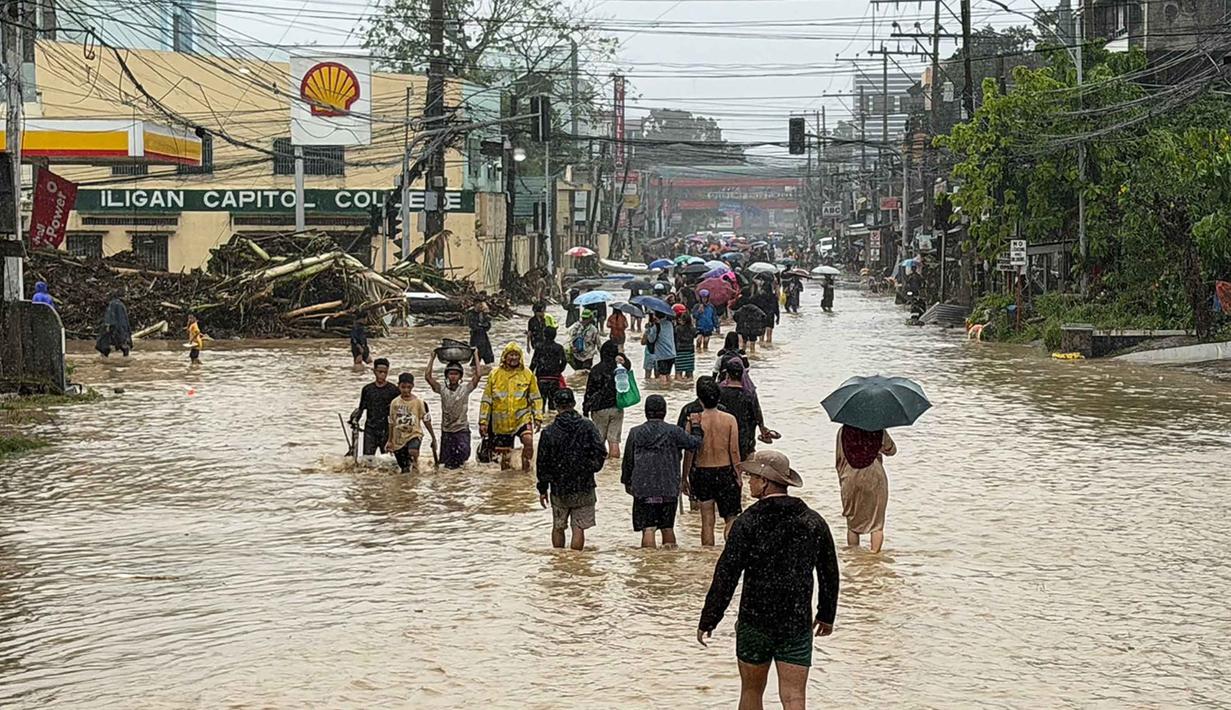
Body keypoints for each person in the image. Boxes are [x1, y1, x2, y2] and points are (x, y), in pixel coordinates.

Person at [697, 450, 839, 710]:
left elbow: (726, 574)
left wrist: (710, 618)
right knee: (795, 696)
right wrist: (826, 614)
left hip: (755, 621)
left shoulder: (747, 523)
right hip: (795, 622)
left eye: (753, 477)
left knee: (751, 693)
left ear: (765, 482)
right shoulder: (812, 521)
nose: (749, 482)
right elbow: (829, 572)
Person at [622, 395, 704, 548]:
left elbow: (628, 460)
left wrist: (627, 482)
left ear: (646, 412)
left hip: (644, 487)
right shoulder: (674, 432)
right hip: (668, 487)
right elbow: (695, 443)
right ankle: (668, 565)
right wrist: (696, 426)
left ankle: (650, 565)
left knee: (648, 528)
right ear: (664, 412)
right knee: (667, 528)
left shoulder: (635, 432)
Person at [536, 388, 607, 550]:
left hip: (559, 487)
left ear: (555, 405)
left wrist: (542, 488)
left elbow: (542, 463)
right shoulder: (587, 426)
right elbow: (601, 451)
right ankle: (576, 564)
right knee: (578, 528)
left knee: (558, 526)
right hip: (584, 485)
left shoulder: (548, 432)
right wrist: (591, 468)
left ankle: (559, 562)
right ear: (574, 404)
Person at [682, 377, 743, 546]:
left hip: (702, 473)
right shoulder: (730, 419)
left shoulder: (694, 421)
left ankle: (707, 558)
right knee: (731, 518)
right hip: (726, 472)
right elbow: (734, 451)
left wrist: (684, 477)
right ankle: (730, 552)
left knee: (707, 521)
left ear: (699, 398)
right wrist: (738, 474)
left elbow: (690, 452)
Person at [479, 342, 542, 472]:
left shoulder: (528, 374)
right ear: (504, 357)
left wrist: (538, 417)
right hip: (501, 423)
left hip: (521, 418)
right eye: (510, 355)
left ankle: (527, 471)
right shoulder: (494, 374)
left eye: (516, 355)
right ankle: (508, 485)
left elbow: (535, 397)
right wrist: (483, 422)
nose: (513, 358)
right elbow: (486, 400)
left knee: (528, 441)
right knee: (505, 460)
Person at [835, 425, 897, 553]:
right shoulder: (878, 429)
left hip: (849, 476)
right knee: (877, 524)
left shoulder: (842, 431)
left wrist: (842, 479)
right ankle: (874, 558)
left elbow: (839, 458)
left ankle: (853, 558)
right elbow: (891, 450)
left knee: (852, 524)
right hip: (874, 475)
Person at [425, 350, 481, 469]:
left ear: (460, 376)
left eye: (456, 374)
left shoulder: (465, 389)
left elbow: (478, 376)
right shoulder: (442, 389)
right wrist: (432, 358)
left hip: (462, 430)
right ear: (446, 375)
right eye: (451, 373)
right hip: (447, 431)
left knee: (462, 460)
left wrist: (475, 355)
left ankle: (460, 484)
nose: (453, 376)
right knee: (447, 465)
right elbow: (428, 377)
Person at [583, 340, 633, 459]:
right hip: (617, 407)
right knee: (614, 440)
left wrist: (585, 408)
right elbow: (628, 365)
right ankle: (614, 469)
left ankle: (603, 471)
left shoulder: (596, 369)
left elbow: (589, 392)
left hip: (599, 409)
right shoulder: (620, 369)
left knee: (599, 440)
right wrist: (621, 356)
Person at [719, 359, 772, 462]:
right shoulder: (749, 394)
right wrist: (762, 429)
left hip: (724, 436)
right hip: (745, 437)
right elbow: (757, 414)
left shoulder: (719, 392)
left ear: (727, 374)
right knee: (745, 465)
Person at [352, 358, 401, 457]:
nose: (382, 374)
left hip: (387, 430)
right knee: (367, 459)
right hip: (370, 429)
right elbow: (361, 408)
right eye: (380, 372)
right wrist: (354, 420)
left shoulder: (393, 390)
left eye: (385, 372)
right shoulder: (367, 390)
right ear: (374, 371)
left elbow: (398, 411)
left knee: (388, 460)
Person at [386, 372, 428, 474]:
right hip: (399, 438)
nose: (405, 390)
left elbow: (425, 419)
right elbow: (391, 422)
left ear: (412, 386)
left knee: (412, 451)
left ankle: (416, 463)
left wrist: (433, 437)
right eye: (403, 387)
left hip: (414, 433)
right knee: (404, 469)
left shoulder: (418, 402)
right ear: (398, 386)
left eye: (408, 387)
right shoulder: (394, 403)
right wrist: (390, 440)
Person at [530, 325, 567, 412]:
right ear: (555, 335)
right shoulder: (559, 348)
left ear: (544, 335)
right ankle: (550, 421)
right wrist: (558, 371)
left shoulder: (539, 347)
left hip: (541, 379)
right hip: (554, 379)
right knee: (553, 406)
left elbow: (534, 362)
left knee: (540, 404)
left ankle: (542, 422)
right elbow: (564, 361)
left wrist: (529, 375)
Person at [649, 306, 676, 385]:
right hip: (672, 354)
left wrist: (650, 329)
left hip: (662, 355)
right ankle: (671, 389)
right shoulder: (669, 323)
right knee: (668, 374)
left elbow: (651, 339)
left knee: (662, 375)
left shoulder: (656, 326)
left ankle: (664, 390)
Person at [752, 280, 780, 345]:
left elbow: (755, 305)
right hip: (770, 316)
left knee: (761, 336)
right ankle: (768, 347)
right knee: (769, 335)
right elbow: (776, 308)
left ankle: (762, 347)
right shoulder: (773, 296)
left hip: (762, 316)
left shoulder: (759, 296)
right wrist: (778, 317)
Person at [674, 305, 697, 381]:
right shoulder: (693, 329)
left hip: (679, 352)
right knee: (690, 373)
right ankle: (689, 386)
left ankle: (680, 387)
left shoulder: (677, 329)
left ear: (683, 320)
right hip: (690, 352)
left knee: (678, 372)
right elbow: (695, 335)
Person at [641, 313, 659, 382]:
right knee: (657, 375)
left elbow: (643, 342)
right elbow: (643, 342)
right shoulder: (661, 327)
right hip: (657, 353)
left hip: (651, 352)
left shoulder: (651, 328)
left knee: (648, 375)